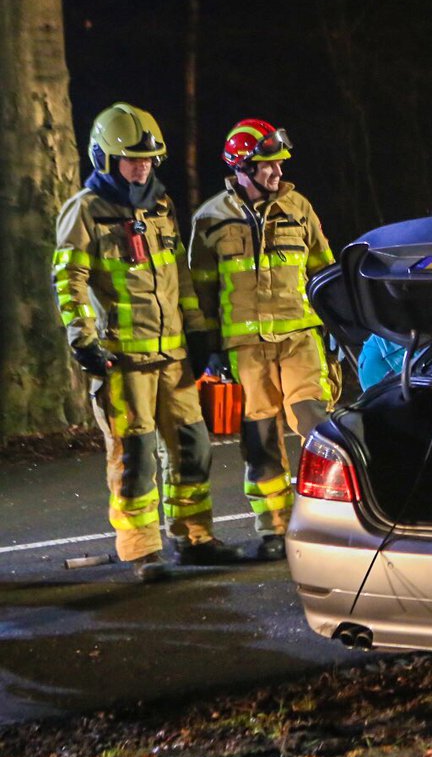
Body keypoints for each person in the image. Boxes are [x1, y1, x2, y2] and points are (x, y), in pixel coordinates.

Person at [53, 103, 238, 581]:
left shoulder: (161, 206)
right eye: (132, 158)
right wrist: (82, 339)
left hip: (173, 357)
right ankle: (142, 550)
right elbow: (68, 279)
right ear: (106, 159)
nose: (143, 166)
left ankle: (194, 538)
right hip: (121, 361)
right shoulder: (85, 211)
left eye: (150, 158)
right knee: (133, 456)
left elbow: (178, 273)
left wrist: (199, 332)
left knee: (193, 447)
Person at [190, 119, 335, 560]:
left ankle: (328, 519)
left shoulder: (299, 207)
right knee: (260, 439)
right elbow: (200, 290)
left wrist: (337, 327)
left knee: (318, 426)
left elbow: (324, 270)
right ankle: (274, 528)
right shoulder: (210, 219)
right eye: (267, 166)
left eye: (278, 165)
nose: (276, 173)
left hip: (298, 336)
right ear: (242, 167)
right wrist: (209, 347)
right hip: (244, 348)